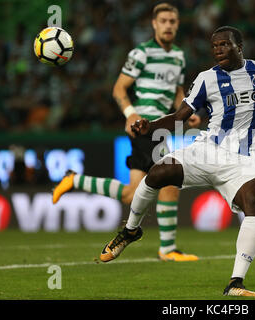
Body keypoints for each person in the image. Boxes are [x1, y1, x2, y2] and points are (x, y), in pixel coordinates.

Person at [99, 26, 255, 296]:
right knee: (156, 173)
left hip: (243, 160)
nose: (218, 50)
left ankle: (236, 282)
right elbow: (179, 117)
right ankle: (131, 231)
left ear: (239, 46)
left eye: (224, 44)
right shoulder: (206, 79)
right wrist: (150, 127)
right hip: (208, 150)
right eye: (214, 46)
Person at [52, 3, 201, 262]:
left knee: (131, 193)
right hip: (144, 125)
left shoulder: (178, 56)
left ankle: (74, 180)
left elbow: (177, 93)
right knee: (170, 181)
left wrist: (187, 112)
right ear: (154, 24)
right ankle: (167, 249)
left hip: (161, 128)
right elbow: (119, 89)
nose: (168, 25)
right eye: (163, 21)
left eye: (172, 21)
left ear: (177, 25)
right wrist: (130, 113)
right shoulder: (141, 53)